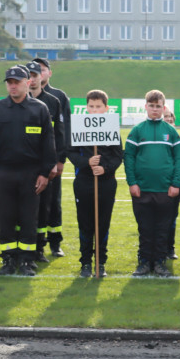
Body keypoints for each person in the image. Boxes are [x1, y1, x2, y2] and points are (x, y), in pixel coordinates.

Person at [0, 65, 56, 276]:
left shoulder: (40, 109)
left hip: (31, 173)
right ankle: (8, 259)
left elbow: (48, 144)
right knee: (5, 218)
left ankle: (26, 261)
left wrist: (44, 173)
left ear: (28, 82)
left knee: (28, 218)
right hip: (3, 172)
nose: (13, 86)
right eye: (9, 82)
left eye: (17, 82)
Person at [124, 89, 180, 277]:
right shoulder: (137, 130)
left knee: (162, 229)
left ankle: (159, 262)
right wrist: (132, 183)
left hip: (166, 191)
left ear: (164, 108)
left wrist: (175, 184)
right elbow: (129, 158)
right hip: (142, 190)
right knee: (145, 228)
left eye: (158, 106)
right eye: (152, 106)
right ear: (146, 107)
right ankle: (143, 262)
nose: (155, 109)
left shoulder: (171, 131)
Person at [68, 89, 122, 278]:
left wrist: (105, 168)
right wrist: (86, 163)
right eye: (91, 106)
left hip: (106, 183)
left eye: (98, 106)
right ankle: (85, 262)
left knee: (103, 223)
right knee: (85, 223)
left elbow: (118, 156)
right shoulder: (79, 126)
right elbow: (71, 152)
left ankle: (100, 262)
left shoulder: (112, 127)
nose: (95, 110)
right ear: (86, 107)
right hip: (84, 182)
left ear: (106, 108)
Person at [26, 61, 67, 263]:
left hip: (48, 165)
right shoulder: (16, 101)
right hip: (25, 166)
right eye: (30, 74)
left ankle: (52, 242)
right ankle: (24, 246)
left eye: (37, 73)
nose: (34, 78)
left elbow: (61, 134)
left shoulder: (54, 100)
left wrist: (60, 160)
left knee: (50, 204)